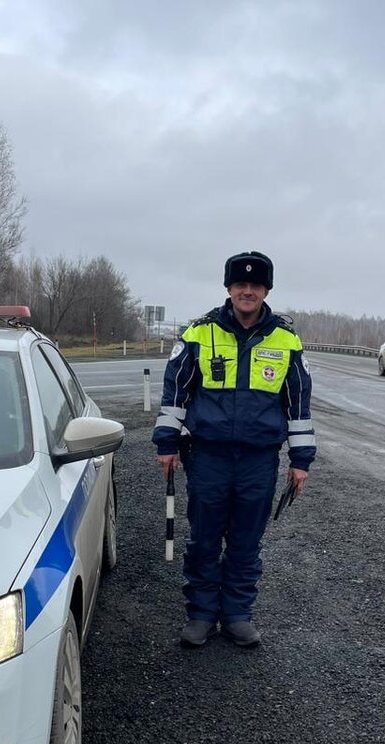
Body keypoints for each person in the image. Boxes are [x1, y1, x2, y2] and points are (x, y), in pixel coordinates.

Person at [152, 250, 316, 648]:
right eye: (240, 285)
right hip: (208, 457)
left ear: (265, 291)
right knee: (205, 539)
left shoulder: (286, 340)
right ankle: (202, 615)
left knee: (246, 542)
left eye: (255, 286)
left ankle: (238, 615)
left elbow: (298, 404)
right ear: (229, 288)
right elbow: (176, 393)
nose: (247, 291)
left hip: (258, 460)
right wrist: (167, 444)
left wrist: (300, 460)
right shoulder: (199, 334)